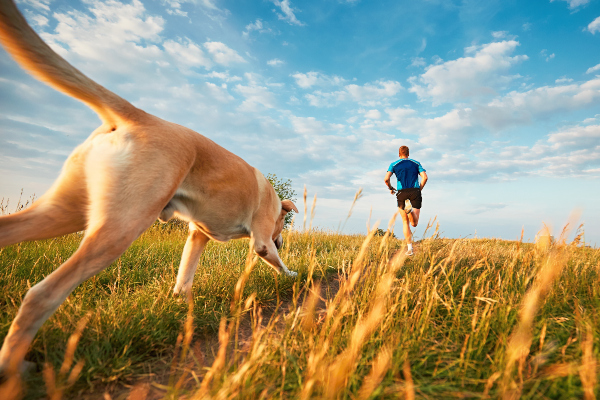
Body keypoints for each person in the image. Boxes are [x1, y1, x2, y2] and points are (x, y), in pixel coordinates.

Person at [384, 145, 428, 256]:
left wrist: (390, 188)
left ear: (399, 154)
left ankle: (410, 249)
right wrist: (419, 189)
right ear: (408, 154)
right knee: (414, 223)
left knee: (405, 222)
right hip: (415, 192)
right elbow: (425, 177)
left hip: (401, 193)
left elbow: (386, 179)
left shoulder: (394, 164)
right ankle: (411, 211)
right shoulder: (416, 163)